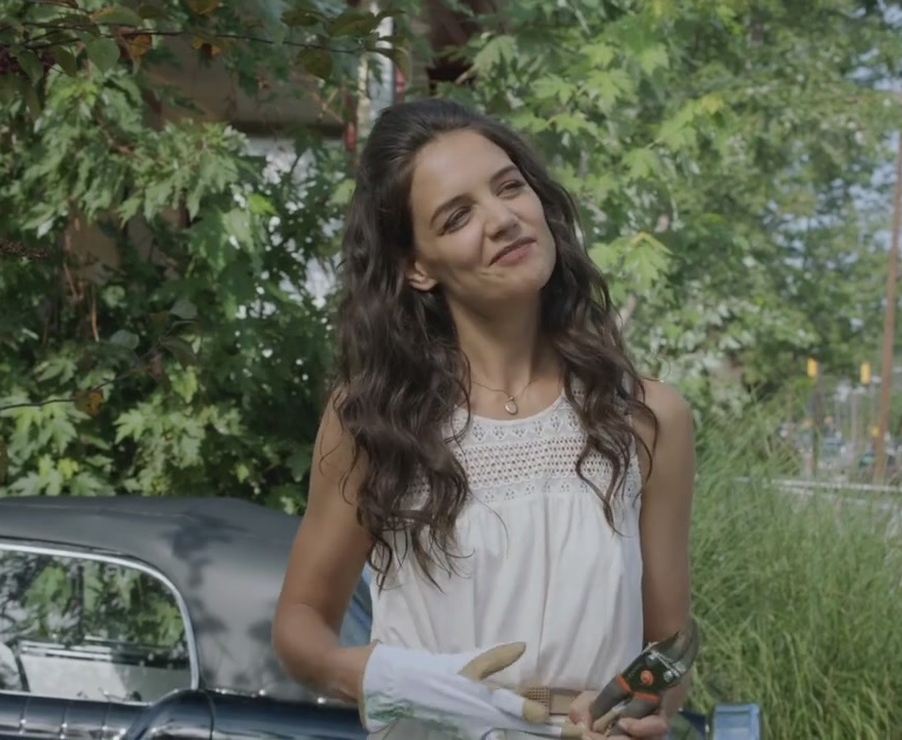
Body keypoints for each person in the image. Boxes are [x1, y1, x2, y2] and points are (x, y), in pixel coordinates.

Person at [272, 97, 696, 740]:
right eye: (458, 216)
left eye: (509, 187)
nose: (501, 219)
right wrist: (392, 679)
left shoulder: (646, 416)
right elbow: (300, 622)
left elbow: (668, 648)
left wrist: (637, 712)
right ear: (416, 266)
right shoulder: (373, 419)